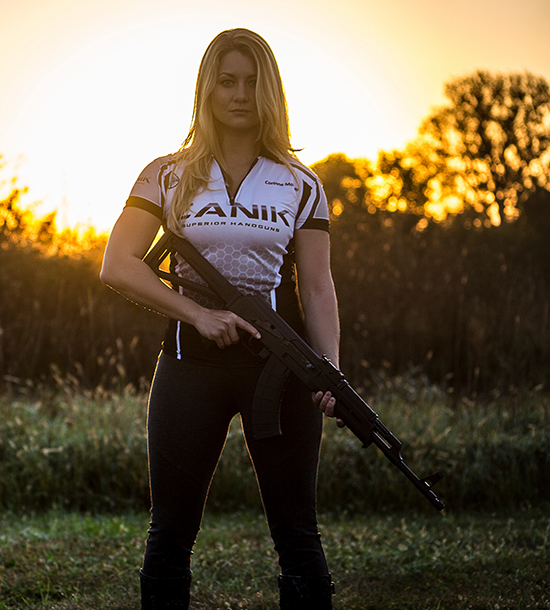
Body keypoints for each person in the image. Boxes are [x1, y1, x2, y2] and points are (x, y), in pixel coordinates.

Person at [100, 28, 341, 610]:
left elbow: (317, 285)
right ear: (207, 91)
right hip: (190, 365)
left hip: (282, 370)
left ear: (270, 91)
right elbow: (117, 265)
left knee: (299, 537)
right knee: (170, 536)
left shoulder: (302, 184)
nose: (239, 94)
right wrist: (198, 315)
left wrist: (329, 370)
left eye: (252, 82)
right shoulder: (166, 173)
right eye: (226, 81)